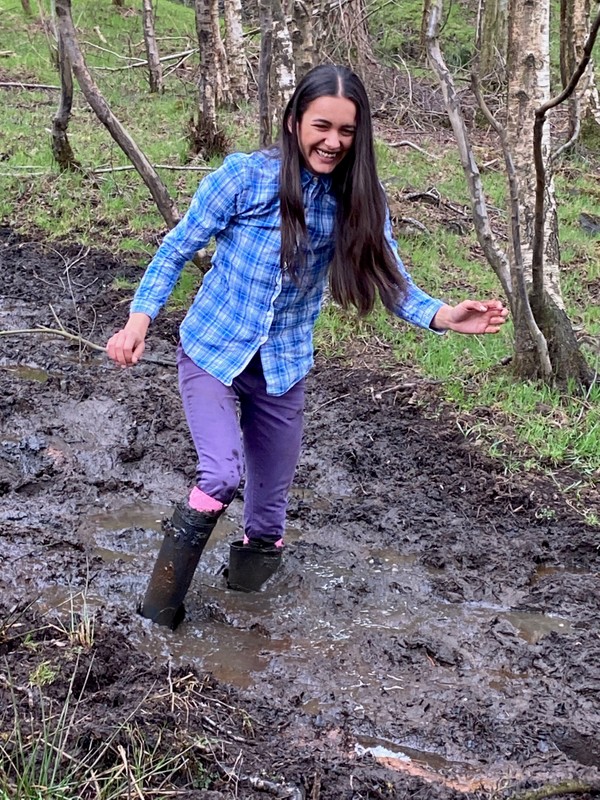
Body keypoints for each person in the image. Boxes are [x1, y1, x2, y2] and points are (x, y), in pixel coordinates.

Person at [106, 64, 509, 630]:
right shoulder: (244, 178)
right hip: (213, 353)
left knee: (268, 518)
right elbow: (176, 250)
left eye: (347, 131)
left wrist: (444, 315)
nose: (333, 142)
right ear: (295, 121)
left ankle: (249, 619)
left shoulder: (357, 200)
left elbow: (390, 281)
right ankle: (156, 615)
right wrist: (138, 321)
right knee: (220, 474)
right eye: (323, 126)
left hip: (283, 367)